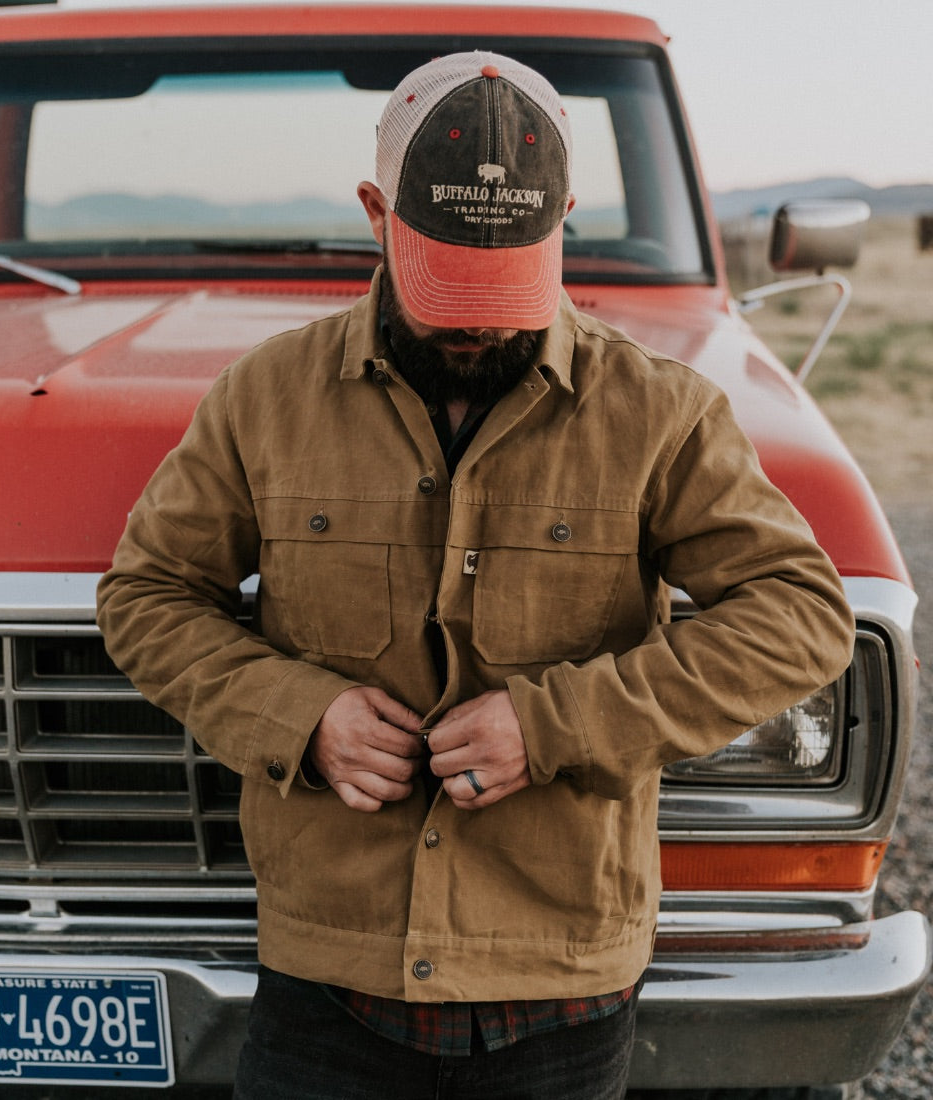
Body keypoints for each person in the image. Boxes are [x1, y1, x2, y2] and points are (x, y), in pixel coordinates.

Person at [96, 52, 855, 1100]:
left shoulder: (662, 413)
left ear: (564, 221)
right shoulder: (262, 398)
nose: (480, 320)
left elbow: (801, 615)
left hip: (564, 990)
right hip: (326, 983)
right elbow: (145, 595)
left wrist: (555, 724)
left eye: (507, 284)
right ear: (376, 212)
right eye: (449, 279)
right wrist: (298, 712)